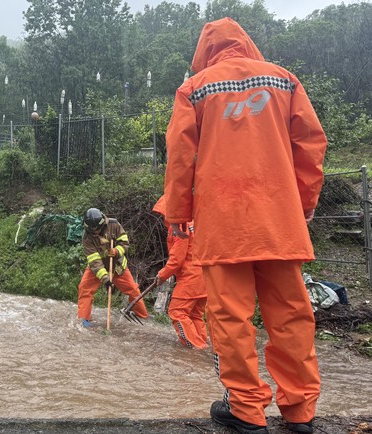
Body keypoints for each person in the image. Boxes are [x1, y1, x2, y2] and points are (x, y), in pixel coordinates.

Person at [164, 18, 327, 434]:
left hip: (223, 223)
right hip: (280, 221)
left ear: (205, 51)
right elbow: (310, 145)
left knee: (230, 319)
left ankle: (246, 411)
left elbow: (181, 158)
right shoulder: (285, 81)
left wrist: (178, 215)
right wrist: (304, 205)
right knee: (291, 314)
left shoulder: (195, 88)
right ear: (247, 43)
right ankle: (301, 412)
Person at [152, 195, 208, 349]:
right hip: (205, 278)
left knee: (177, 311)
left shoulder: (179, 227)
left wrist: (162, 275)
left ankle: (195, 349)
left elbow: (177, 259)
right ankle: (202, 345)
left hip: (191, 278)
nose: (163, 217)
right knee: (195, 315)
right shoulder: (193, 223)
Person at [77, 207, 148, 327]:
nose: (95, 232)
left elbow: (125, 243)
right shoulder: (87, 238)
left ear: (101, 224)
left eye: (97, 229)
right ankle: (83, 320)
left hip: (117, 266)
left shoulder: (114, 225)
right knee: (84, 289)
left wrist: (116, 251)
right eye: (92, 229)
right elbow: (94, 261)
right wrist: (105, 279)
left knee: (133, 290)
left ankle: (143, 317)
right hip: (97, 268)